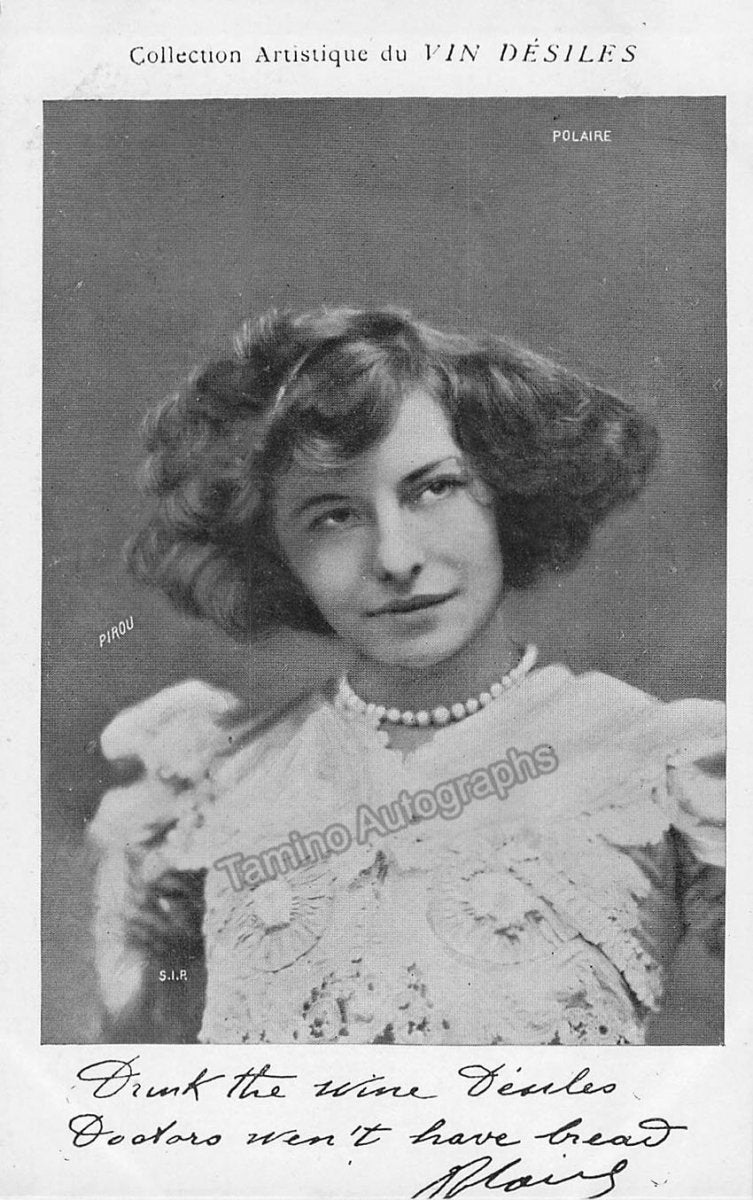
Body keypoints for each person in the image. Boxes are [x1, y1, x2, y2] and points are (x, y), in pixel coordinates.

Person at [89, 306, 724, 1045]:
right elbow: (145, 1066)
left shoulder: (657, 763)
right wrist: (158, 965)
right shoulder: (213, 789)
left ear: (505, 492)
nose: (395, 558)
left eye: (434, 489)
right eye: (333, 516)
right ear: (275, 552)